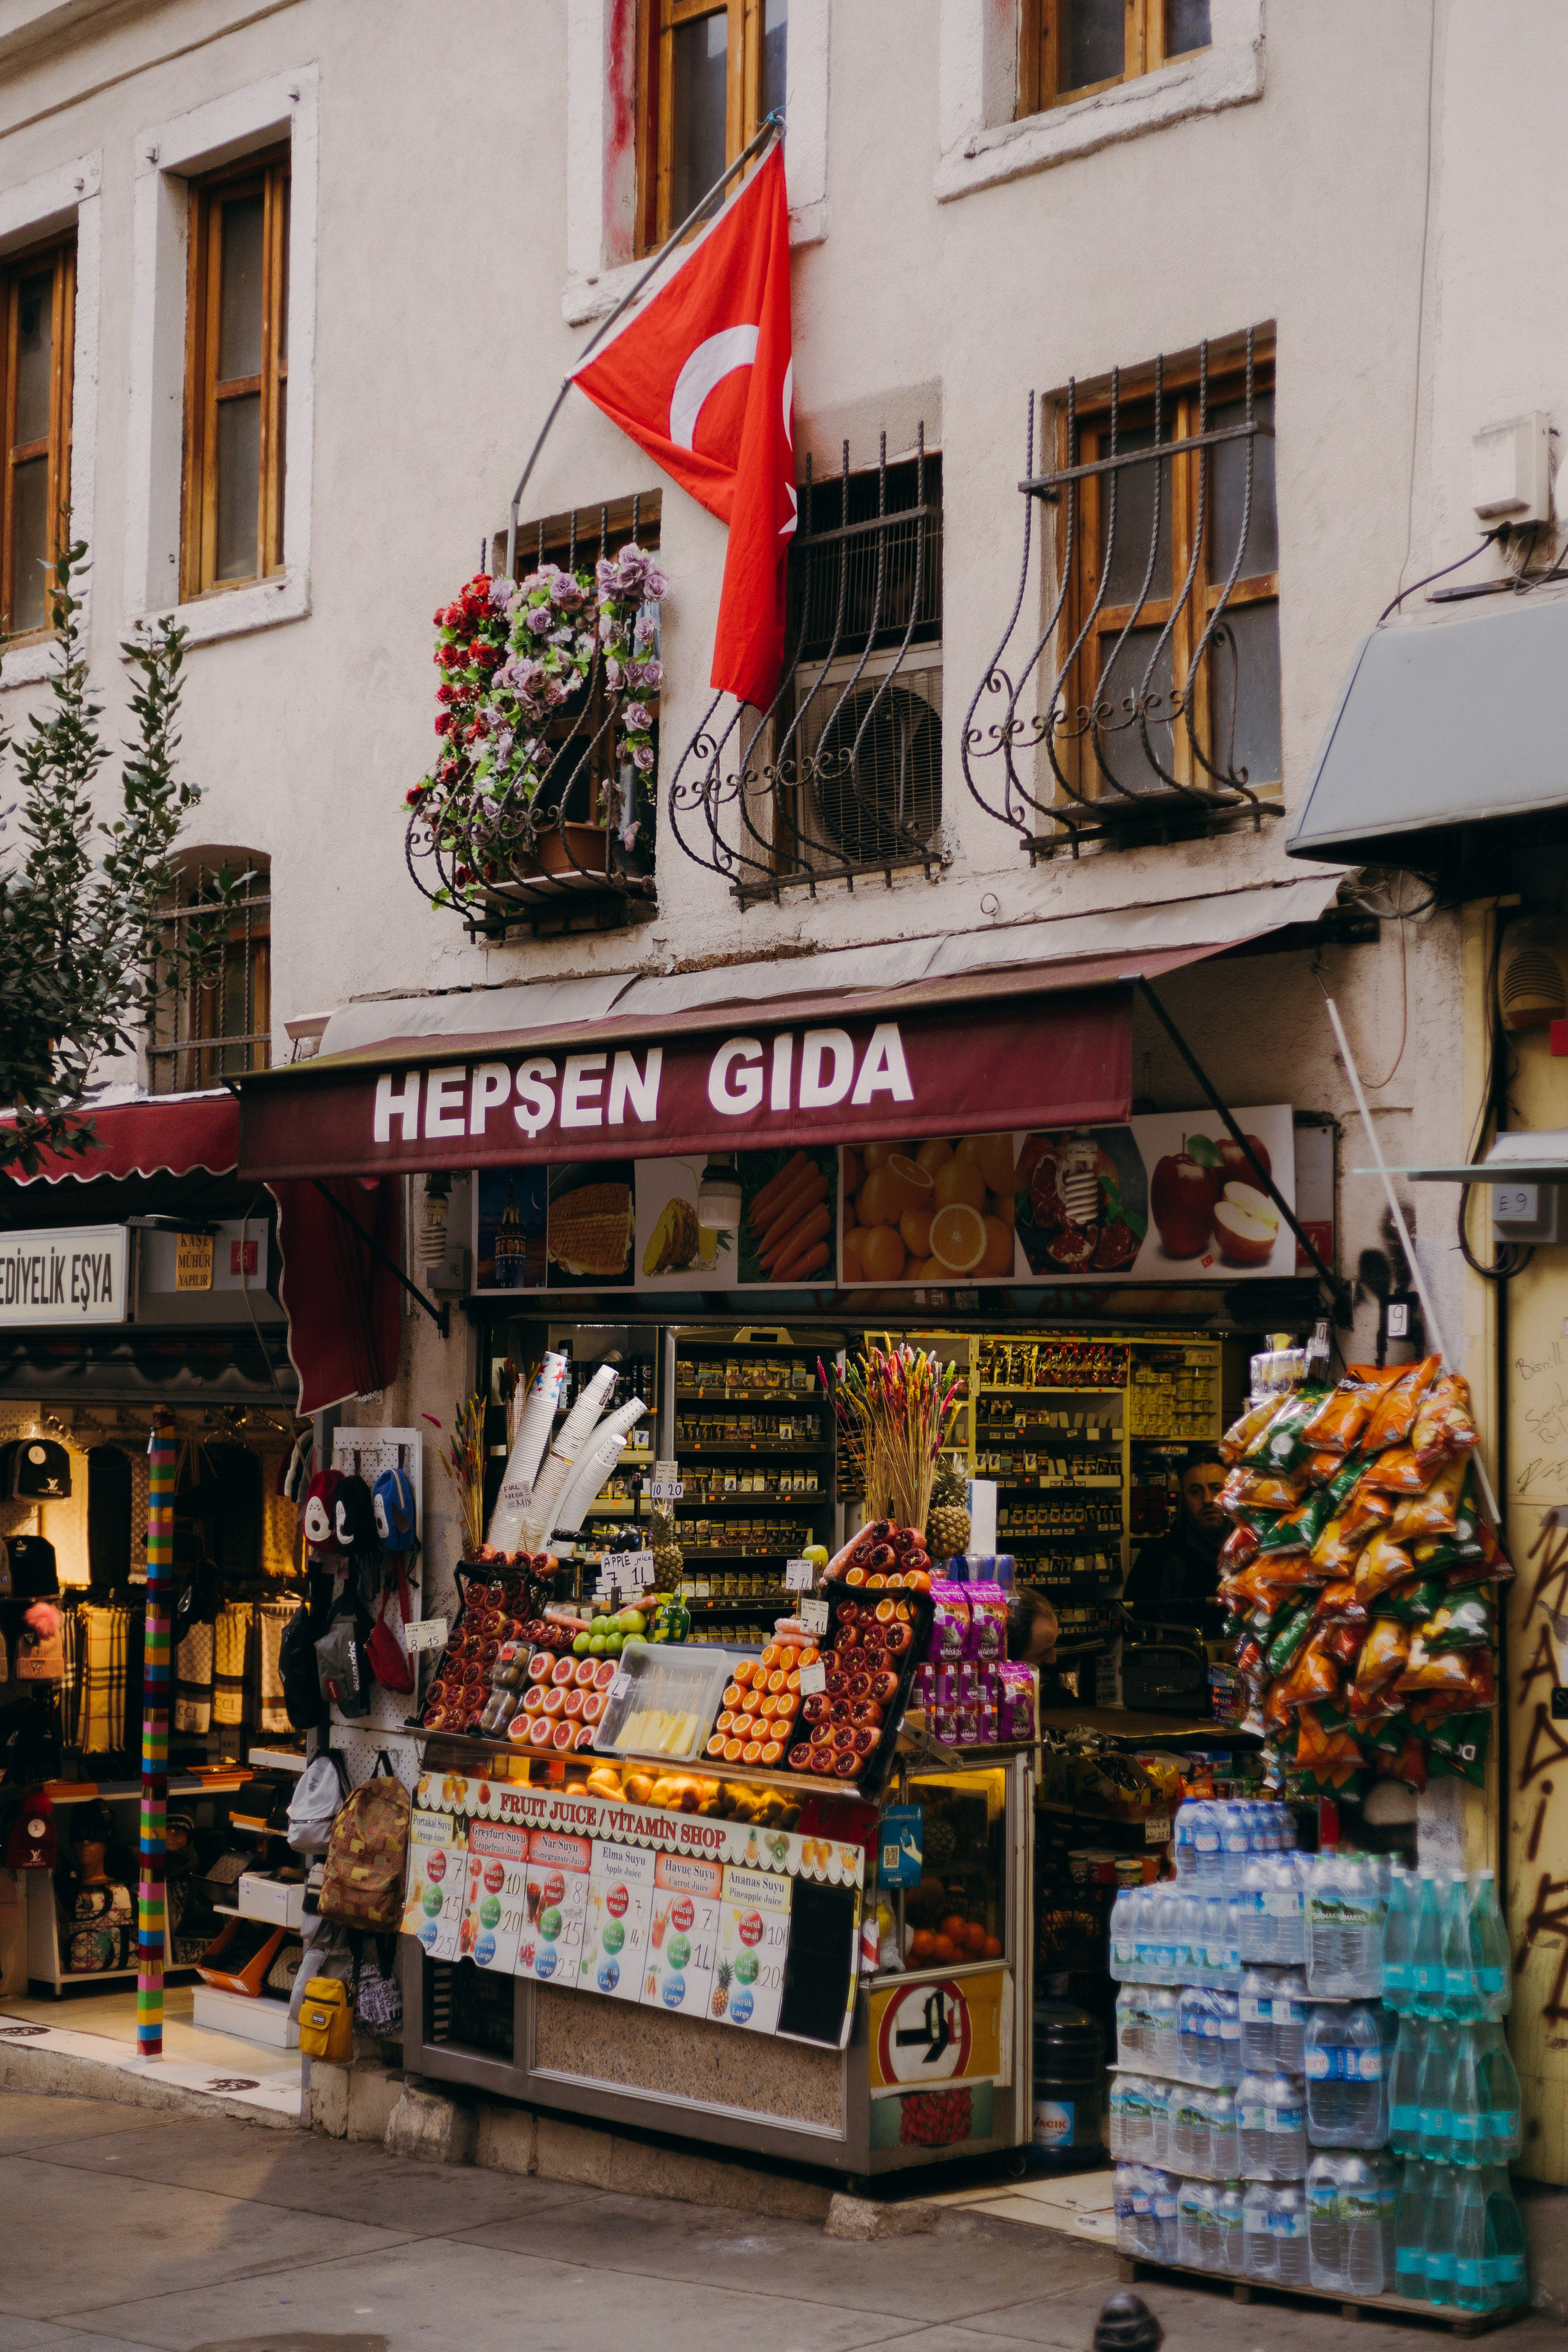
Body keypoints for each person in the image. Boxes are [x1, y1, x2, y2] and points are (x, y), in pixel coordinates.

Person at [1123, 1447, 1229, 1636]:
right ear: (1183, 1498)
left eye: (1216, 1489)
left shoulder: (1256, 1551)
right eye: (1196, 1491)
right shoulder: (1158, 1557)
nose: (1207, 1499)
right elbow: (1141, 1631)